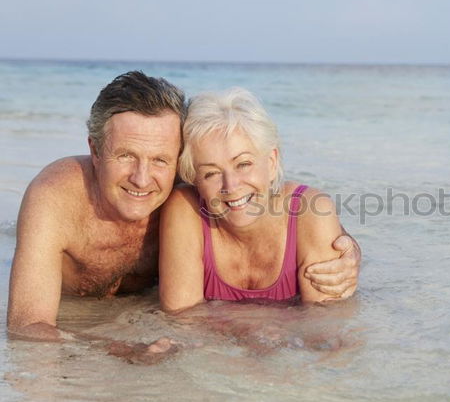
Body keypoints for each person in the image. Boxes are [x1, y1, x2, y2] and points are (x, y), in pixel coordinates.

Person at [7, 72, 360, 345]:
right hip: (79, 321)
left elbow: (256, 191)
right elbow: (27, 329)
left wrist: (346, 246)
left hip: (143, 316)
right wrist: (115, 348)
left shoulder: (188, 189)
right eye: (126, 155)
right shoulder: (55, 197)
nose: (142, 178)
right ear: (95, 151)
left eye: (160, 159)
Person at [159, 87, 350, 311]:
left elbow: (327, 330)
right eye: (211, 173)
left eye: (243, 164)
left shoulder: (312, 212)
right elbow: (181, 323)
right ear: (195, 180)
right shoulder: (184, 208)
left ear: (271, 162)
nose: (231, 186)